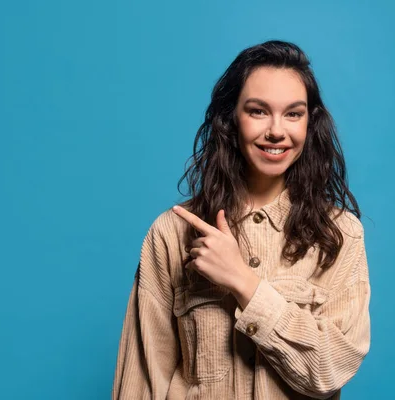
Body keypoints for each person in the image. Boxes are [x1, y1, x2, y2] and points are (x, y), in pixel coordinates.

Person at [112, 40, 371, 399]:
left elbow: (330, 369)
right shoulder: (172, 233)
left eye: (293, 114)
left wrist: (243, 282)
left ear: (310, 123)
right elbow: (141, 381)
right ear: (231, 118)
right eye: (258, 111)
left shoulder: (341, 235)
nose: (277, 131)